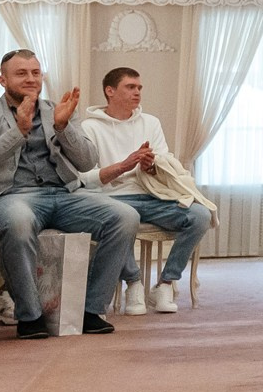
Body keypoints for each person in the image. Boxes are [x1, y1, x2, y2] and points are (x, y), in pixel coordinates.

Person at [0, 49, 138, 338]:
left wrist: (63, 126)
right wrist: (18, 130)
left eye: (35, 72)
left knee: (125, 216)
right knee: (18, 222)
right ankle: (30, 316)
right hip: (12, 196)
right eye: (21, 73)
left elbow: (87, 161)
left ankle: (91, 310)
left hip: (64, 194)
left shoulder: (58, 108)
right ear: (3, 80)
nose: (31, 79)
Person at [78, 67, 212, 315]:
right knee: (121, 218)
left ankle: (165, 283)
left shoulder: (150, 122)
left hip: (153, 197)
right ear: (110, 91)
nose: (137, 92)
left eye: (139, 88)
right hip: (111, 199)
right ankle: (134, 283)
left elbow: (164, 163)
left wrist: (151, 167)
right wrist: (124, 166)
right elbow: (84, 179)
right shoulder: (89, 127)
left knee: (200, 215)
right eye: (130, 87)